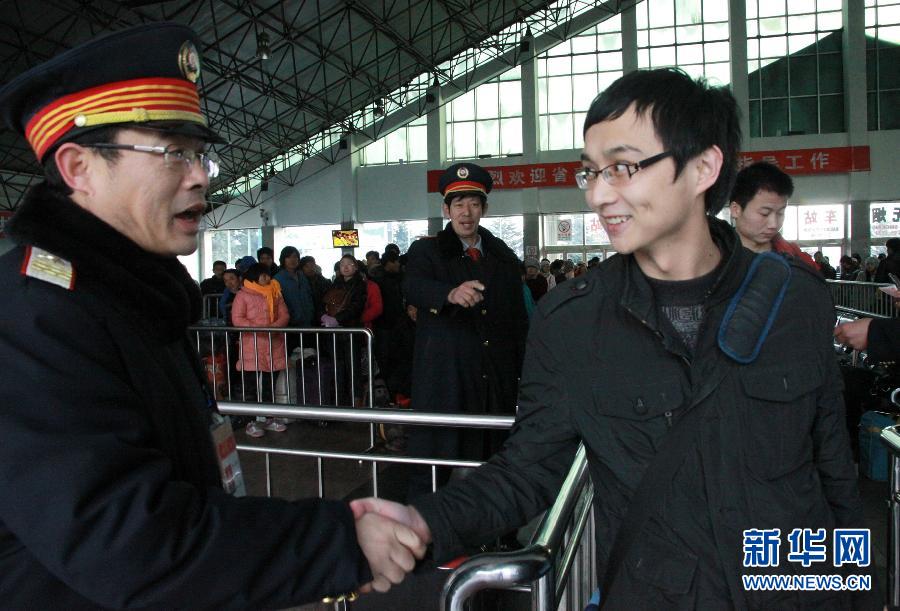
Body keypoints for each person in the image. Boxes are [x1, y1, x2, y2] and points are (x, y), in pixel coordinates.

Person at [353, 68, 875, 609]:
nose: (599, 195)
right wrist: (421, 522)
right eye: (591, 173)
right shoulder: (572, 323)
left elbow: (833, 467)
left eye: (622, 168)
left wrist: (860, 590)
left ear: (703, 167)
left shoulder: (796, 300)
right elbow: (526, 470)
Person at [0, 22, 423, 608]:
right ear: (78, 168)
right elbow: (129, 540)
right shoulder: (35, 315)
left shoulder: (133, 295)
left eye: (200, 154)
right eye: (173, 152)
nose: (200, 175)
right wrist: (338, 543)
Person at [402, 162, 528, 499]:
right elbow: (412, 286)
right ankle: (425, 522)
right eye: (458, 204)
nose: (466, 212)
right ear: (446, 210)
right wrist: (448, 294)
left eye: (474, 204)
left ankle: (493, 523)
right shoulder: (426, 251)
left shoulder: (502, 256)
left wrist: (524, 375)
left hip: (494, 379)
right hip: (446, 377)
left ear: (484, 208)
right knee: (436, 460)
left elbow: (517, 320)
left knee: (493, 460)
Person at [232, 262, 291, 435]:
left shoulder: (275, 292)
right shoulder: (243, 295)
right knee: (250, 386)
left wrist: (273, 328)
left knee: (269, 385)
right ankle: (250, 422)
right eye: (263, 275)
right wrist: (260, 329)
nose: (267, 278)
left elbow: (284, 315)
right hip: (252, 346)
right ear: (254, 276)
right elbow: (237, 319)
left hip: (273, 345)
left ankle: (270, 418)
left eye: (267, 274)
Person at [729, 161, 818, 270]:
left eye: (780, 213)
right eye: (765, 213)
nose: (774, 224)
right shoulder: (715, 258)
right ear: (735, 210)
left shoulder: (798, 260)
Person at [273, 245, 315, 342]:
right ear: (283, 259)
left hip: (307, 323)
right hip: (290, 325)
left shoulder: (302, 276)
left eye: (295, 257)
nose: (292, 260)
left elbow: (309, 296)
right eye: (288, 257)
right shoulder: (277, 279)